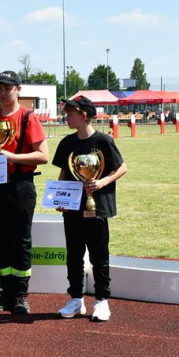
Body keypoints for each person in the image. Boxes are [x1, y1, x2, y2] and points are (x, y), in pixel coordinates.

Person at [0, 70, 49, 314]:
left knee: (20, 240)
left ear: (18, 89)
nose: (3, 93)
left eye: (7, 88)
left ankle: (21, 294)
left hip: (20, 185)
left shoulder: (28, 118)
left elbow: (43, 156)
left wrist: (12, 156)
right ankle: (6, 292)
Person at [53, 95, 128, 321]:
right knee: (73, 255)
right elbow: (64, 173)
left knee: (99, 255)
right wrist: (60, 199)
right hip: (73, 209)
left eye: (70, 114)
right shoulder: (67, 143)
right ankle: (76, 299)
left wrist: (102, 182)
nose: (66, 117)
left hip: (98, 208)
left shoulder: (104, 141)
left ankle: (102, 301)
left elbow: (122, 167)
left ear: (83, 115)